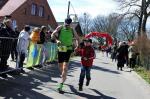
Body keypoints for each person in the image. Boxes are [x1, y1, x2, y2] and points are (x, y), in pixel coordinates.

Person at [51, 17, 80, 93]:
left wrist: (77, 46)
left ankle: (61, 84)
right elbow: (52, 35)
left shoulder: (72, 29)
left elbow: (78, 39)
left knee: (65, 67)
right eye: (66, 24)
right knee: (60, 66)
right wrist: (57, 40)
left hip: (68, 49)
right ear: (64, 23)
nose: (67, 26)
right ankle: (64, 76)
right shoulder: (60, 27)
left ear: (70, 24)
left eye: (68, 25)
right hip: (61, 48)